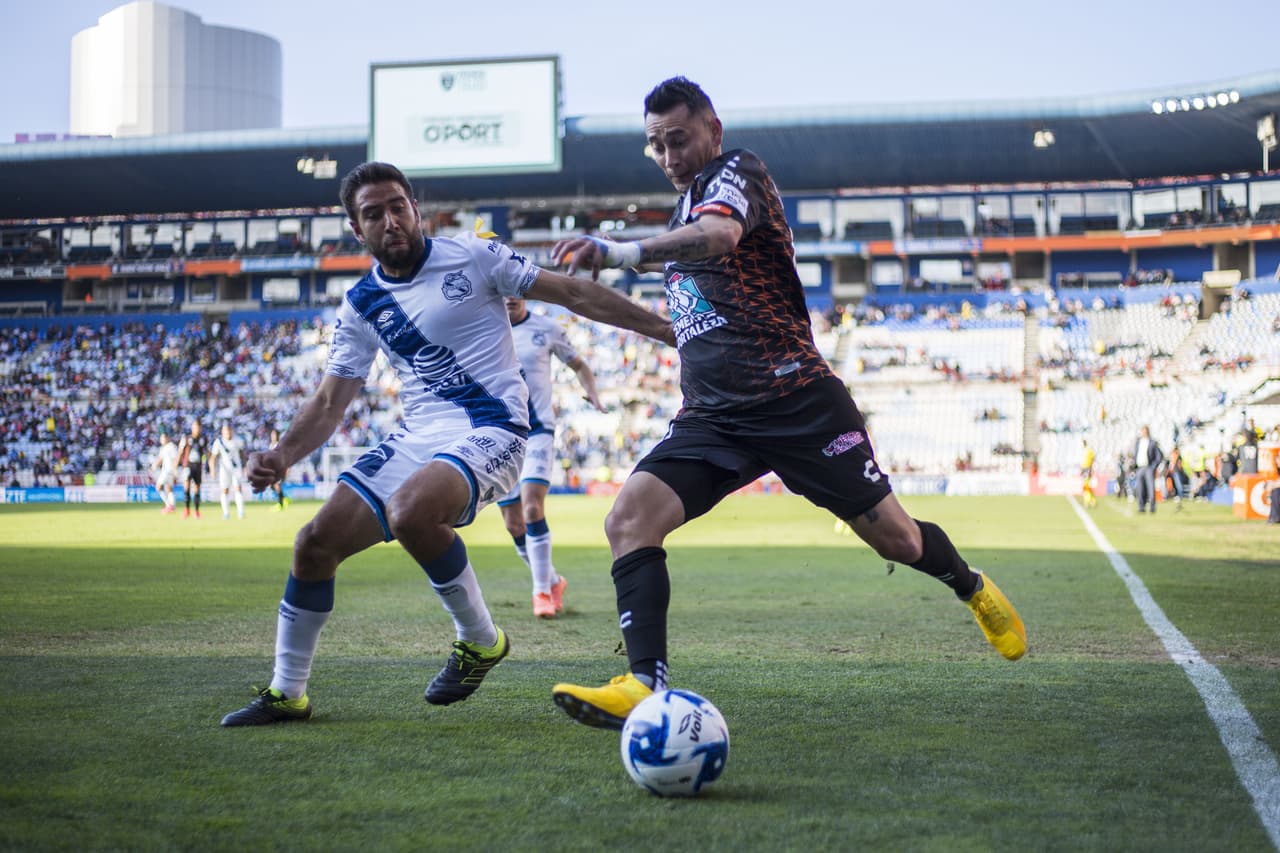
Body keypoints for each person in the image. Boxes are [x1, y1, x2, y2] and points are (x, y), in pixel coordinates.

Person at [547, 77, 1026, 731]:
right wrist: (551, 283)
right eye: (655, 145)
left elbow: (718, 236)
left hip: (796, 399)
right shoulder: (680, 219)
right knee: (628, 519)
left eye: (678, 139)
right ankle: (643, 681)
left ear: (712, 130)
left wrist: (621, 251)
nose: (667, 155)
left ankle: (969, 585)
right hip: (715, 416)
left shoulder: (736, 174)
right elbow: (668, 322)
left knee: (897, 537)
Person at [220, 161, 673, 727]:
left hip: (497, 429)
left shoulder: (474, 256)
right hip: (419, 435)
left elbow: (574, 293)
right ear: (356, 231)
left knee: (411, 510)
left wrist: (669, 331)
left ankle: (477, 639)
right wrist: (283, 455)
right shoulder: (361, 305)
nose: (390, 221)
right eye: (373, 214)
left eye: (397, 206)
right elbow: (331, 401)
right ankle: (288, 693)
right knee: (314, 542)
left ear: (415, 208)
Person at [497, 296, 606, 618]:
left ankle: (541, 592)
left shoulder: (546, 328)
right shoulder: (484, 327)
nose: (509, 298)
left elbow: (579, 364)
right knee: (513, 523)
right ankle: (554, 581)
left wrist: (593, 393)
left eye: (514, 290)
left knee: (532, 507)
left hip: (538, 430)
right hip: (499, 435)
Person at [209, 422, 247, 520]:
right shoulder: (218, 442)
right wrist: (212, 469)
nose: (228, 433)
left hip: (236, 468)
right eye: (226, 431)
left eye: (229, 430)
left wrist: (245, 466)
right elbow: (213, 457)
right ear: (222, 432)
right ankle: (226, 513)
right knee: (225, 490)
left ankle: (241, 512)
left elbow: (243, 454)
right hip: (224, 469)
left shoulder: (238, 440)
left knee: (238, 489)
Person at [177, 419, 208, 519]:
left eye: (198, 427)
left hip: (198, 466)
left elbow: (206, 452)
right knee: (186, 488)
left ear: (201, 428)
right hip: (188, 466)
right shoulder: (186, 438)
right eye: (195, 426)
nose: (197, 429)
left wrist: (207, 460)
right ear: (192, 427)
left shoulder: (203, 439)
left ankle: (197, 511)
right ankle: (186, 510)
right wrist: (176, 465)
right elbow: (180, 452)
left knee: (197, 489)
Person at [1133, 425, 1163, 514]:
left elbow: (1159, 456)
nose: (1144, 433)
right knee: (1140, 488)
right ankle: (1141, 507)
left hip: (1148, 468)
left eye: (1145, 431)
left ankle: (1152, 508)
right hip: (1139, 468)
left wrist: (1153, 467)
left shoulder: (1152, 442)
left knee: (1151, 488)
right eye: (1143, 431)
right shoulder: (1138, 442)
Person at [149, 430, 179, 514]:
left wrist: (175, 472)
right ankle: (171, 507)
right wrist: (154, 466)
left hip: (168, 471)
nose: (161, 440)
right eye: (161, 438)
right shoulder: (164, 448)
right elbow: (160, 459)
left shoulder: (171, 446)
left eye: (163, 438)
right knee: (169, 489)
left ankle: (168, 505)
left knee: (158, 487)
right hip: (168, 471)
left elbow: (175, 459)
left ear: (167, 438)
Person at [268, 428, 289, 510]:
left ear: (278, 436)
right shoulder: (271, 445)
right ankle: (284, 498)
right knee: (271, 486)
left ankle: (280, 504)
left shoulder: (280, 445)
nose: (273, 436)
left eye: (274, 434)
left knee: (276, 485)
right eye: (272, 434)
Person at [1080, 439, 1097, 508]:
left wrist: (1090, 469)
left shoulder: (1089, 450)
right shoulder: (1083, 451)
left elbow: (1092, 459)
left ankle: (1088, 501)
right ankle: (1091, 501)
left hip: (1087, 469)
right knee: (1086, 486)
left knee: (1086, 486)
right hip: (1085, 469)